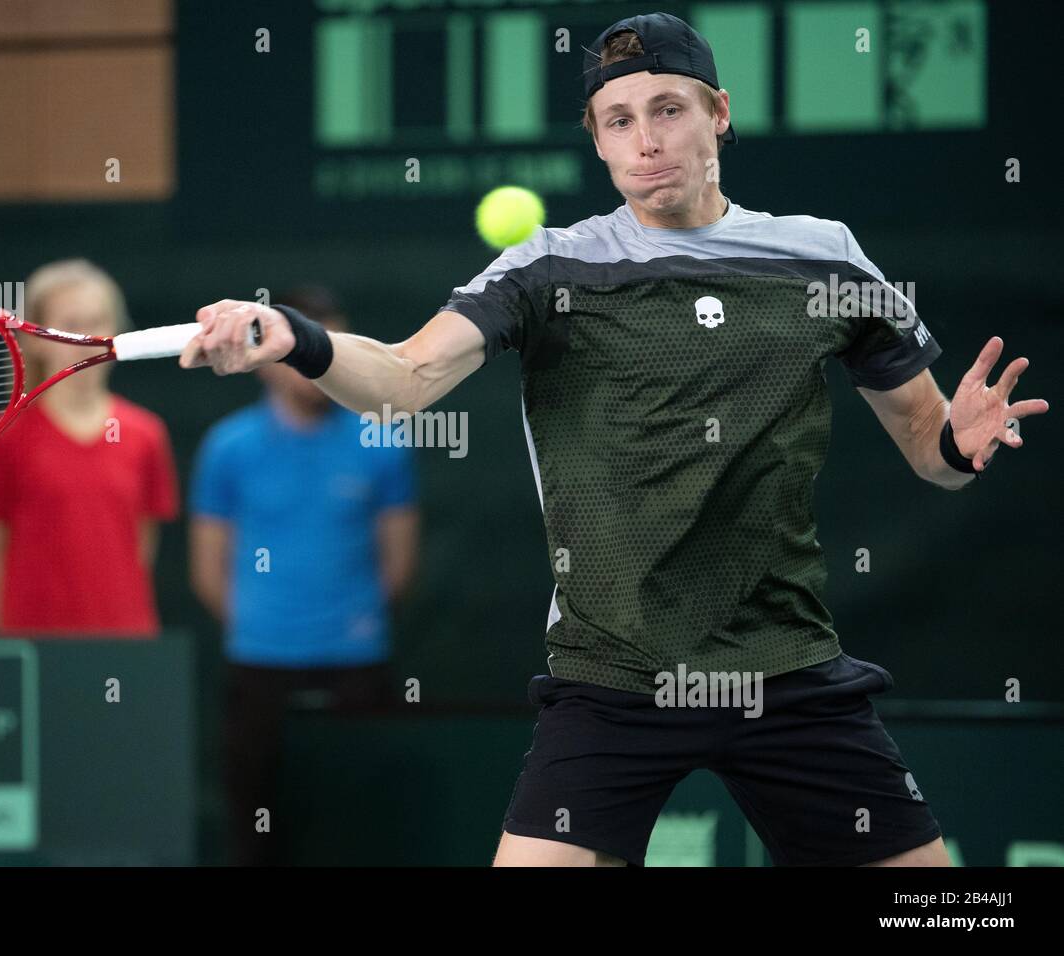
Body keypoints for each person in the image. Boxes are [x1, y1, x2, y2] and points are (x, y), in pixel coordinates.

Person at [175, 13, 1049, 867]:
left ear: (720, 113)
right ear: (597, 141)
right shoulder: (545, 269)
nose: (647, 140)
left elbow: (928, 446)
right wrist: (297, 336)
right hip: (612, 677)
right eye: (618, 120)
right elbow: (404, 380)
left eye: (669, 109)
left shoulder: (824, 259)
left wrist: (960, 447)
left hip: (783, 670)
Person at [190, 287, 418, 866]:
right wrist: (269, 628)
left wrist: (343, 624)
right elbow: (207, 569)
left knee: (360, 834)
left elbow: (399, 564)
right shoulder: (228, 448)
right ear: (265, 359)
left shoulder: (381, 441)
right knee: (258, 835)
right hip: (259, 671)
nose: (310, 365)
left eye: (326, 347)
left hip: (357, 670)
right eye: (298, 347)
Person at [0, 259, 179, 637]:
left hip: (126, 646)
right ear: (35, 338)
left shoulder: (147, 434)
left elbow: (140, 548)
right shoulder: (6, 435)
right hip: (36, 648)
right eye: (69, 325)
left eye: (97, 322)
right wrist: (18, 647)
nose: (85, 340)